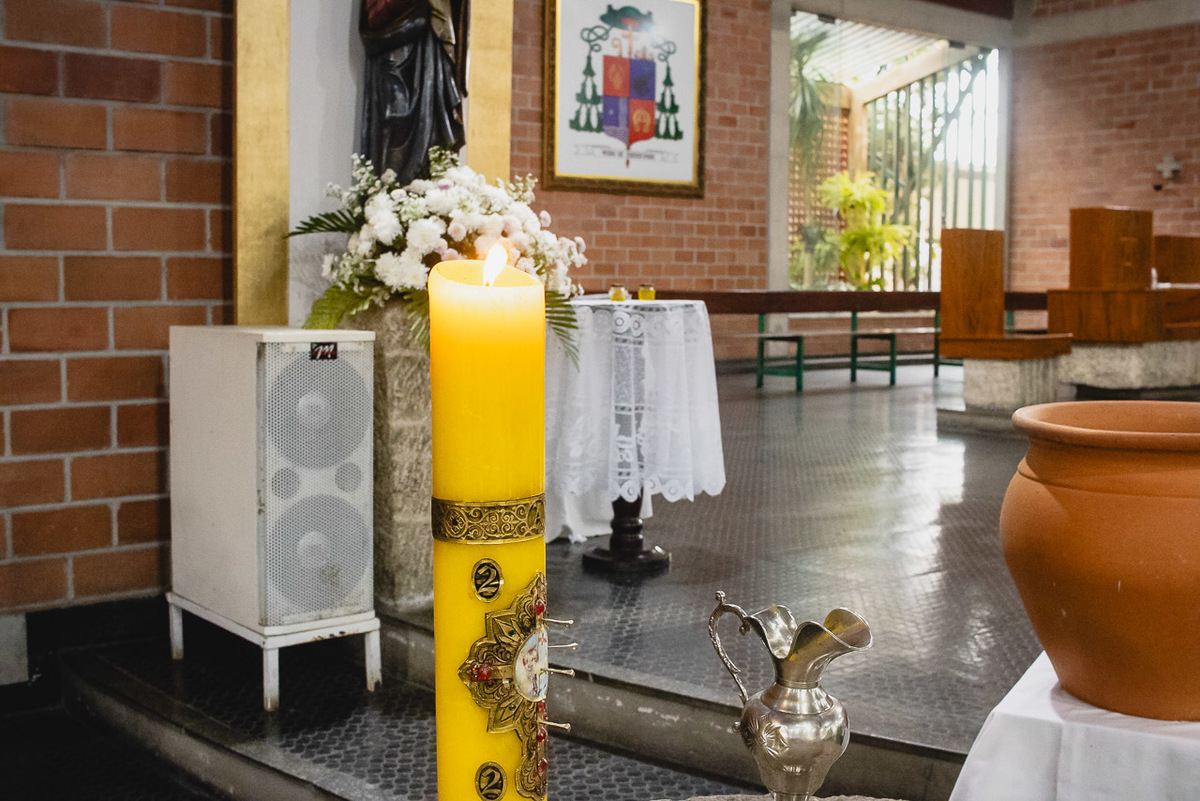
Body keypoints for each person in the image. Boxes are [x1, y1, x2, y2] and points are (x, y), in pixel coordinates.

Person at [359, 0, 469, 184]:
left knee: (433, 121)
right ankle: (390, 194)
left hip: (431, 40)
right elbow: (374, 17)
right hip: (394, 40)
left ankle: (430, 196)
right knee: (394, 117)